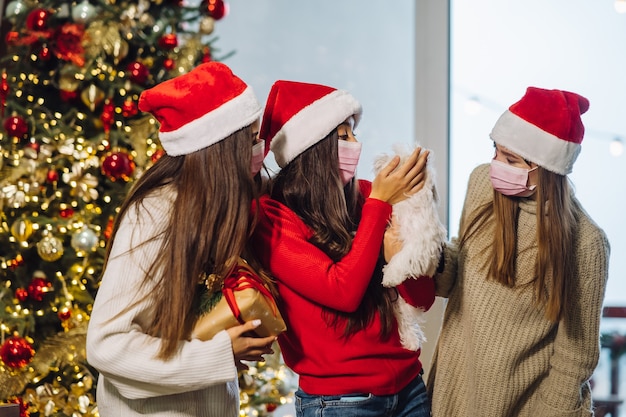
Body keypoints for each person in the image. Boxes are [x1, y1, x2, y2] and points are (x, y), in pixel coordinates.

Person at [86, 62, 276, 417]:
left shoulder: (213, 209)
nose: (260, 149)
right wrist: (220, 354)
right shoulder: (155, 215)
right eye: (251, 140)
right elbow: (106, 345)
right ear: (221, 151)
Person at [250, 80, 435, 417]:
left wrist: (405, 246)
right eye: (343, 136)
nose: (356, 144)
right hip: (340, 403)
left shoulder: (365, 196)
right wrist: (380, 205)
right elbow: (342, 291)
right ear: (311, 149)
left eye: (354, 134)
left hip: (409, 388)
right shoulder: (273, 219)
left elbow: (423, 298)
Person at [427, 86, 610, 417]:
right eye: (495, 151)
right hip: (454, 392)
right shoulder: (482, 183)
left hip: (526, 406)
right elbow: (460, 275)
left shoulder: (586, 243)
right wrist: (432, 254)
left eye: (511, 159)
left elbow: (576, 355)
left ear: (548, 167)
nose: (497, 165)